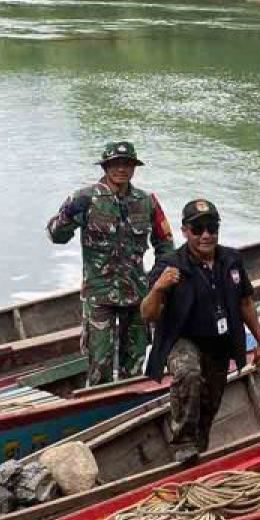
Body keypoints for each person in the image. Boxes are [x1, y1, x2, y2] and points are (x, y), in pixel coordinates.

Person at [141, 199, 260, 461]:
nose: (206, 235)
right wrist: (158, 288)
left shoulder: (231, 260)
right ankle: (182, 441)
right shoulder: (170, 264)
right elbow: (147, 313)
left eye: (212, 227)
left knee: (209, 405)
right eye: (198, 229)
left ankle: (197, 454)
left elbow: (245, 302)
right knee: (189, 374)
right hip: (182, 340)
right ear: (185, 231)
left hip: (219, 344)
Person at [47, 141, 174, 387]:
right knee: (99, 365)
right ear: (105, 167)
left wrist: (157, 282)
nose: (121, 169)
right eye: (115, 164)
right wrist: (68, 215)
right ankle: (98, 409)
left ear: (134, 168)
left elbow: (165, 244)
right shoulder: (85, 198)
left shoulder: (147, 202)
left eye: (127, 164)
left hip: (137, 295)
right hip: (99, 295)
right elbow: (56, 236)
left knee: (135, 365)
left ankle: (130, 409)